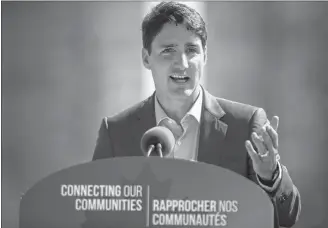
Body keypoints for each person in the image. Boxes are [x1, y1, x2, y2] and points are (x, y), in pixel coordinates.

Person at [92, 1, 301, 227]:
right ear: (146, 58)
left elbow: (286, 219)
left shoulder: (246, 125)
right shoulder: (116, 133)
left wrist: (271, 176)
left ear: (205, 56)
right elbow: (93, 217)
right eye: (168, 50)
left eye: (191, 50)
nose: (182, 64)